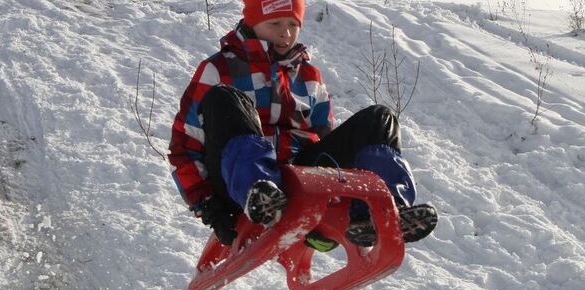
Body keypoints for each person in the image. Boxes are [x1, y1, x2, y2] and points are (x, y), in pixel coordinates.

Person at [169, 0, 437, 250]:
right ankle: (261, 194)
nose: (285, 34)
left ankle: (382, 210)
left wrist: (329, 199)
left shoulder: (309, 76)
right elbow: (184, 146)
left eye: (293, 25)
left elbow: (325, 139)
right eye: (275, 24)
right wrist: (207, 204)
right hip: (236, 185)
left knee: (379, 119)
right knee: (225, 98)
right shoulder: (217, 70)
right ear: (252, 22)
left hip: (299, 180)